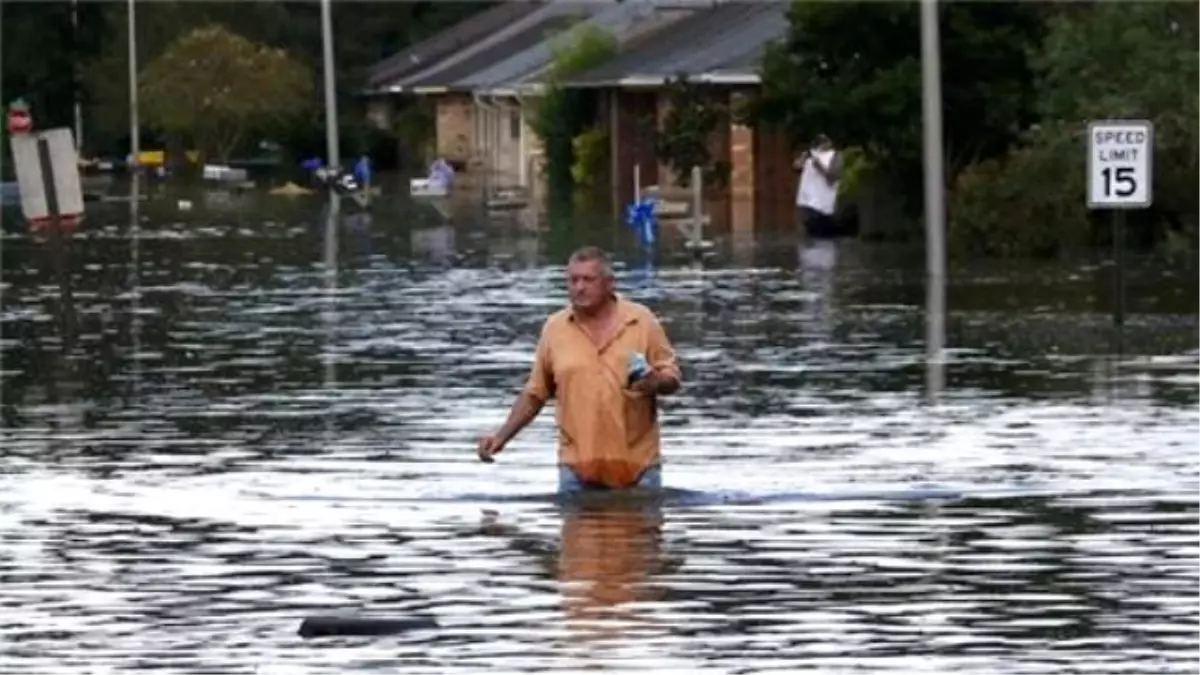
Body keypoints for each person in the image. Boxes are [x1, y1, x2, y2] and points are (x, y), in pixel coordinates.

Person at [476, 246, 682, 493]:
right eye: (573, 280)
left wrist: (654, 381)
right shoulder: (555, 329)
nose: (579, 287)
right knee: (577, 531)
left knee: (639, 530)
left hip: (637, 467)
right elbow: (535, 394)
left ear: (609, 284)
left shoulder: (641, 322)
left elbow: (672, 378)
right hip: (576, 469)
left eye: (588, 279)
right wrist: (500, 437)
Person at [794, 133, 844, 240]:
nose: (822, 144)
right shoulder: (810, 154)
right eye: (820, 141)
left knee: (822, 239)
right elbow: (796, 167)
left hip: (823, 206)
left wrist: (819, 166)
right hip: (806, 203)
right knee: (809, 237)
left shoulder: (835, 156)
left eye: (825, 141)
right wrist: (803, 159)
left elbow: (833, 177)